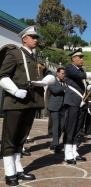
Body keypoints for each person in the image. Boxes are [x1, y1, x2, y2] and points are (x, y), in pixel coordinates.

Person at [0, 25, 55, 186]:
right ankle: (9, 172)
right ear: (24, 39)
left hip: (31, 101)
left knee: (22, 137)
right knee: (10, 137)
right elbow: (2, 75)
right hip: (16, 102)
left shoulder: (36, 59)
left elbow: (49, 76)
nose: (36, 39)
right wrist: (15, 91)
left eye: (37, 37)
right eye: (33, 37)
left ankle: (18, 168)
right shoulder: (15, 53)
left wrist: (45, 81)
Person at [63, 48, 91, 164]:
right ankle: (67, 153)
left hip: (81, 102)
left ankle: (74, 150)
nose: (82, 59)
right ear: (73, 59)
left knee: (78, 127)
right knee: (71, 126)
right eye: (80, 57)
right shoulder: (70, 68)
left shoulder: (80, 70)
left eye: (82, 57)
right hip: (72, 100)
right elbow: (82, 76)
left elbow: (82, 86)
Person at [47, 67, 66, 153]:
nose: (63, 75)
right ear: (57, 73)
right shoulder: (52, 81)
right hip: (54, 107)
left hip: (63, 107)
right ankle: (56, 144)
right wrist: (64, 87)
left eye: (64, 73)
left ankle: (54, 142)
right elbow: (54, 91)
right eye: (62, 73)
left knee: (61, 126)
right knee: (56, 125)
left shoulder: (65, 81)